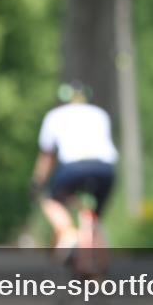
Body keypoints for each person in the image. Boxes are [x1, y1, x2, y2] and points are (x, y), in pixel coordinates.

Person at [31, 81, 118, 274]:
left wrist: (37, 182)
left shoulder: (54, 116)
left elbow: (47, 157)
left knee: (51, 199)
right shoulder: (100, 114)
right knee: (94, 216)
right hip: (105, 169)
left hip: (73, 168)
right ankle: (99, 268)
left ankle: (68, 232)